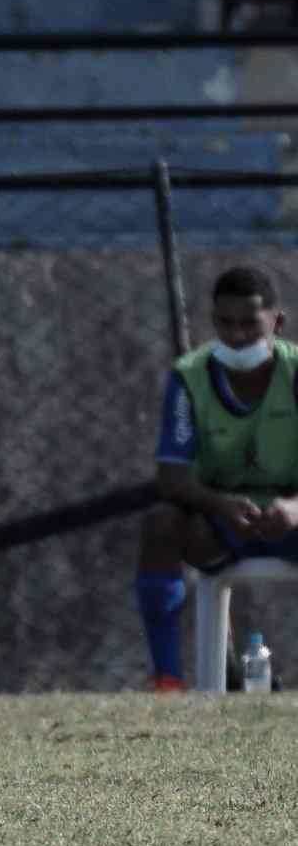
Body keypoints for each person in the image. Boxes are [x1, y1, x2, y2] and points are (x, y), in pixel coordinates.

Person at [137, 265, 298, 692]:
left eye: (249, 323)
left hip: (291, 519)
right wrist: (220, 504)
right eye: (225, 323)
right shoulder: (189, 377)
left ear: (276, 322)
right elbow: (171, 474)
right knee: (161, 523)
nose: (237, 335)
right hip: (222, 522)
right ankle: (168, 681)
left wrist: (294, 508)